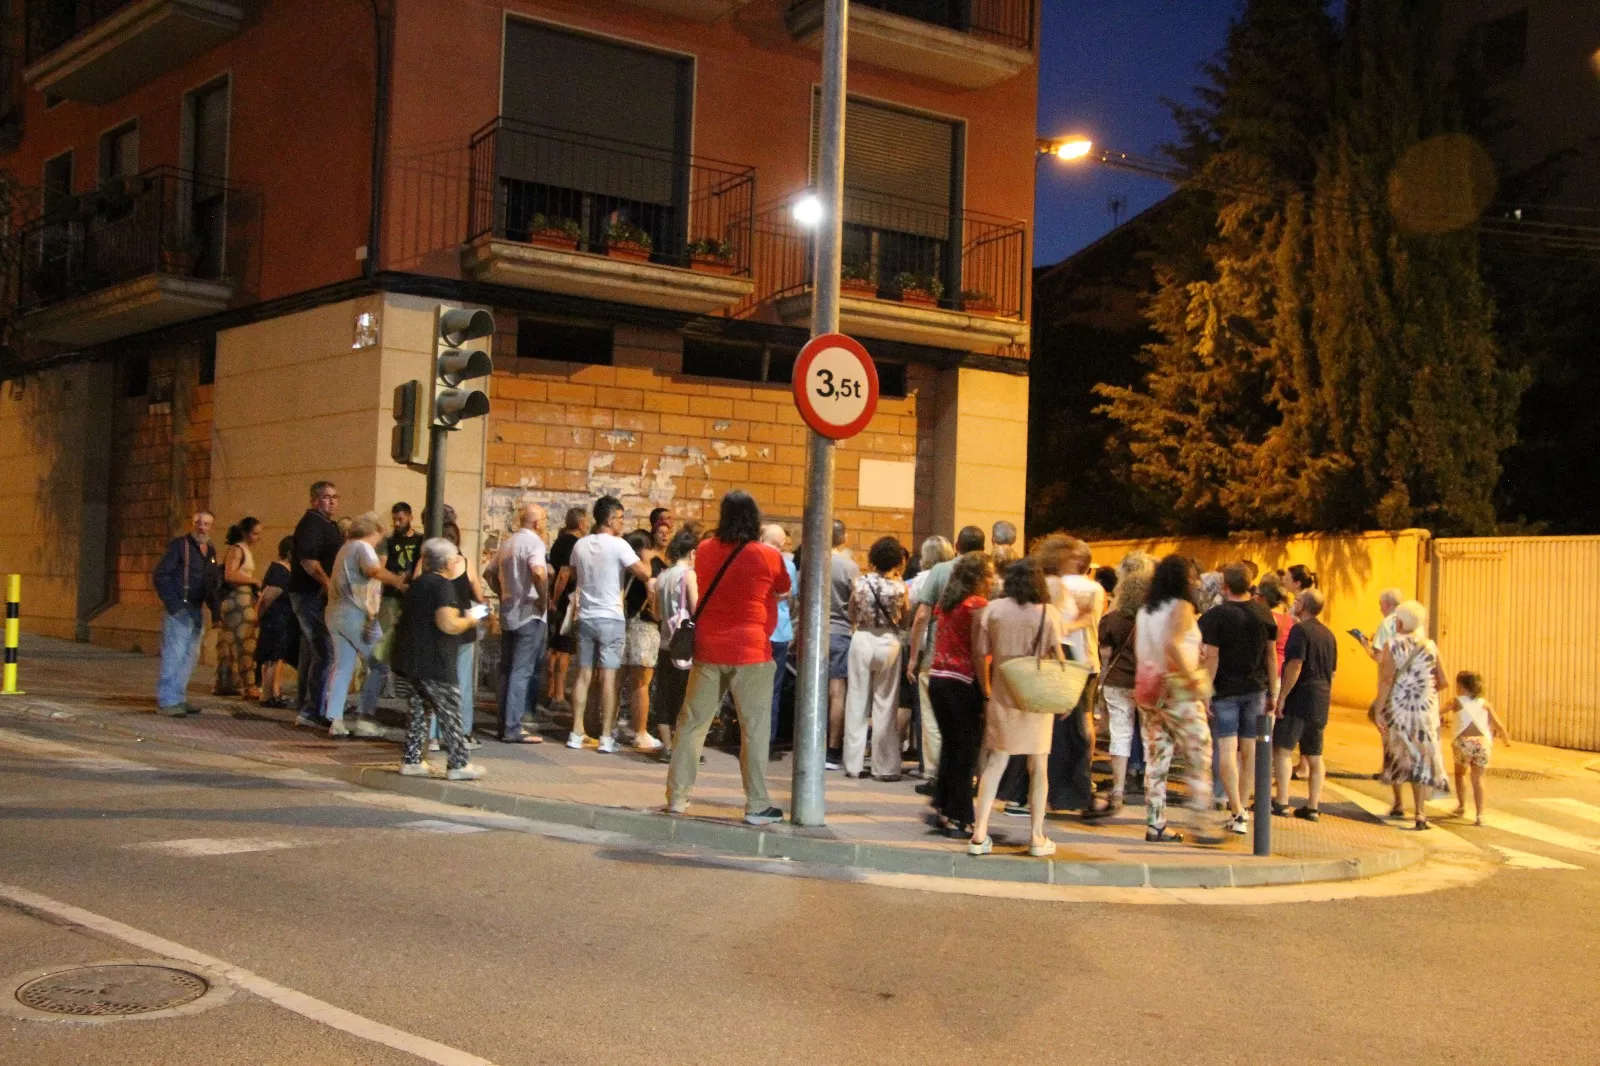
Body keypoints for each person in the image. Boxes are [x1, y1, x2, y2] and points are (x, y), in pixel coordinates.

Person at [666, 490, 791, 825]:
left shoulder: (704, 550)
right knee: (754, 730)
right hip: (752, 651)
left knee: (692, 725)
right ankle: (757, 805)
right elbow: (784, 588)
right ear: (755, 519)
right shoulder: (767, 555)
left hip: (708, 649)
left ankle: (677, 798)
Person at [967, 559, 1064, 858]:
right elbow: (1058, 658)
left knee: (995, 764)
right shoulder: (1049, 614)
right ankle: (1037, 836)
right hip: (1035, 698)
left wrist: (986, 689)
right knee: (1039, 768)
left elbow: (980, 652)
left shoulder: (993, 610)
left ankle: (979, 833)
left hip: (1002, 694)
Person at [1134, 555, 1220, 844]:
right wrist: (1193, 676)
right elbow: (1172, 642)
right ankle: (1200, 820)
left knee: (1157, 758)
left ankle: (1155, 823)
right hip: (1176, 692)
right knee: (1200, 751)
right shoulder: (1181, 607)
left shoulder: (1145, 610)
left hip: (1148, 691)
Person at [392, 537, 485, 781]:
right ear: (447, 562)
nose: (457, 562)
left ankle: (411, 760)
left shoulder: (419, 583)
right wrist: (470, 620)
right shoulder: (443, 586)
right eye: (455, 558)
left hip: (410, 659)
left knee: (418, 711)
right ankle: (458, 764)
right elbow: (447, 622)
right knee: (450, 711)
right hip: (434, 660)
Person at [1199, 563, 1280, 834]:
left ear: (1224, 586)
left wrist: (1206, 691)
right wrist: (1274, 690)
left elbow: (1212, 657)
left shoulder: (1216, 616)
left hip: (1225, 691)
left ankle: (1237, 810)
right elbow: (1270, 655)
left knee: (1226, 750)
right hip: (1256, 689)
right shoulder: (1264, 613)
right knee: (1250, 752)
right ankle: (1242, 809)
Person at [568, 496, 652, 752]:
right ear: (609, 519)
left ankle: (575, 731)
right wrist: (646, 557)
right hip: (611, 617)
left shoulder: (580, 545)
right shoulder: (619, 545)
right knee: (608, 677)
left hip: (585, 615)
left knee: (583, 675)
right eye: (620, 518)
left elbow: (573, 575)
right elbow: (644, 573)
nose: (622, 524)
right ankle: (605, 737)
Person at [906, 528, 982, 793]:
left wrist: (914, 656)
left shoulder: (940, 571)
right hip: (978, 657)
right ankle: (971, 775)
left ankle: (937, 774)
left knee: (933, 716)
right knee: (972, 719)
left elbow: (922, 616)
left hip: (940, 653)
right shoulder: (990, 573)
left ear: (957, 545)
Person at [926, 552, 992, 839]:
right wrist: (987, 691)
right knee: (965, 752)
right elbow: (979, 652)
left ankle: (943, 806)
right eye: (989, 574)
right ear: (977, 578)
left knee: (950, 747)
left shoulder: (948, 603)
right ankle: (959, 817)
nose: (993, 580)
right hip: (962, 682)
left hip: (938, 679)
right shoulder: (977, 605)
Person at [322, 513, 405, 737]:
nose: (380, 541)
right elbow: (373, 571)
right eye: (380, 536)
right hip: (355, 614)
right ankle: (365, 717)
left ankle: (336, 720)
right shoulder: (363, 548)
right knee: (378, 664)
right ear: (374, 532)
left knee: (342, 667)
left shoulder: (345, 549)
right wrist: (397, 581)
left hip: (334, 613)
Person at [1085, 552, 1154, 818]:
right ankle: (1150, 789)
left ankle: (1118, 789)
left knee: (1121, 735)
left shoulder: (1112, 619)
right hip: (1147, 683)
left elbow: (1104, 655)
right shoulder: (1154, 620)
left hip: (1117, 682)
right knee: (1150, 737)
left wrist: (1101, 684)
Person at [1372, 600, 1450, 830]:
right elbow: (1443, 680)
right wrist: (1424, 692)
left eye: (1397, 618)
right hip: (1425, 711)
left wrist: (1379, 708)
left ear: (1403, 621)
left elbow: (1386, 679)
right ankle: (1420, 813)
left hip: (1399, 709)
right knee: (1422, 760)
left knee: (1398, 755)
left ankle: (1398, 803)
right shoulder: (1430, 646)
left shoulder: (1391, 644)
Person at [842, 536, 909, 780]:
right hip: (889, 643)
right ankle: (886, 766)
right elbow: (905, 619)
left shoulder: (859, 583)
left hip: (862, 639)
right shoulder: (901, 587)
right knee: (886, 704)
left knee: (857, 701)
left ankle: (854, 764)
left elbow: (851, 611)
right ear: (897, 561)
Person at [1271, 589, 1338, 820]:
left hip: (1299, 697)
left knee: (1282, 749)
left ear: (1305, 606)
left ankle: (1281, 801)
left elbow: (1295, 665)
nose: (1294, 603)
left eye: (1297, 600)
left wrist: (1282, 697)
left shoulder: (1300, 630)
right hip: (1321, 699)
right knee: (1315, 755)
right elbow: (1333, 671)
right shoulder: (1329, 635)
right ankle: (1312, 806)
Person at [152, 511, 219, 716]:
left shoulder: (210, 550)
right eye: (199, 523)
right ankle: (167, 701)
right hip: (180, 608)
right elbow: (161, 575)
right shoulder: (180, 546)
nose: (202, 527)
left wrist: (215, 612)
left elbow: (211, 583)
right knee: (175, 654)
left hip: (196, 609)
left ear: (211, 527)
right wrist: (173, 603)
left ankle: (178, 697)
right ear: (193, 523)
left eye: (206, 524)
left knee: (190, 656)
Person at [289, 481, 343, 727]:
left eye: (334, 497)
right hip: (309, 595)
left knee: (314, 652)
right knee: (324, 652)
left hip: (314, 596)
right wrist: (327, 583)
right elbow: (308, 560)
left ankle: (307, 704)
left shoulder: (325, 524)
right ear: (314, 500)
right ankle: (312, 710)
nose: (331, 501)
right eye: (325, 497)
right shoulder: (312, 524)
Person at [494, 502, 549, 744]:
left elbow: (489, 572)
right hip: (529, 612)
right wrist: (544, 600)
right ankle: (513, 727)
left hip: (508, 612)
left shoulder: (507, 542)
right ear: (537, 523)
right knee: (522, 671)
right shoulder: (534, 543)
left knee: (506, 670)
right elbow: (538, 571)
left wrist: (502, 593)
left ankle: (503, 723)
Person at [650, 528, 700, 758]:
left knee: (664, 695)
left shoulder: (662, 576)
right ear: (691, 553)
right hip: (685, 644)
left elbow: (656, 613)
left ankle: (667, 746)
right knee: (685, 695)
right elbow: (695, 607)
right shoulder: (688, 575)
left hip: (665, 642)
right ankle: (684, 748)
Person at [1445, 671, 1509, 826]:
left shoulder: (1456, 701)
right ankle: (1480, 815)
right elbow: (1498, 724)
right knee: (1478, 778)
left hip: (1463, 742)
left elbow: (1436, 712)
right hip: (1482, 744)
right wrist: (1506, 739)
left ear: (1460, 686)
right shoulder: (1484, 703)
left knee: (1460, 774)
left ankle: (1461, 806)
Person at [621, 528, 665, 752]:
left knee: (615, 679)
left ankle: (606, 727)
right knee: (642, 683)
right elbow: (655, 600)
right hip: (644, 628)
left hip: (621, 624)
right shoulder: (650, 568)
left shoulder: (622, 567)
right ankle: (640, 732)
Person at [824, 519, 860, 770]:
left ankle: (809, 743)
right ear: (843, 537)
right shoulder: (849, 566)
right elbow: (856, 601)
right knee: (837, 691)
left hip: (813, 632)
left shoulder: (811, 560)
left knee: (811, 690)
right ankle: (832, 750)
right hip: (840, 632)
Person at [544, 506, 586, 714]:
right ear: (580, 523)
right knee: (564, 648)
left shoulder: (560, 541)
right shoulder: (573, 543)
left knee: (554, 647)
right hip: (565, 601)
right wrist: (555, 599)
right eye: (586, 522)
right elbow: (564, 573)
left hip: (558, 601)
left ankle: (552, 691)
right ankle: (559, 695)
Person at [215, 517, 263, 698]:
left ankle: (226, 683)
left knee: (228, 642)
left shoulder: (242, 550)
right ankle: (248, 685)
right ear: (245, 533)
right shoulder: (237, 550)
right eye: (255, 533)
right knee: (246, 641)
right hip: (238, 601)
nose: (258, 538)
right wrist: (254, 581)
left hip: (237, 600)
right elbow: (230, 574)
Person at [761, 524, 798, 754]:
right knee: (773, 689)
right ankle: (768, 740)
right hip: (781, 631)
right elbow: (791, 599)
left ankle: (752, 738)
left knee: (751, 687)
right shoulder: (789, 565)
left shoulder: (754, 558)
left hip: (759, 631)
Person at [253, 537, 298, 709]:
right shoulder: (280, 572)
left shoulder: (281, 570)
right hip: (275, 620)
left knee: (273, 657)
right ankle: (268, 695)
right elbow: (267, 598)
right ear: (289, 553)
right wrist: (259, 617)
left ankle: (270, 693)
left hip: (279, 620)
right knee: (271, 658)